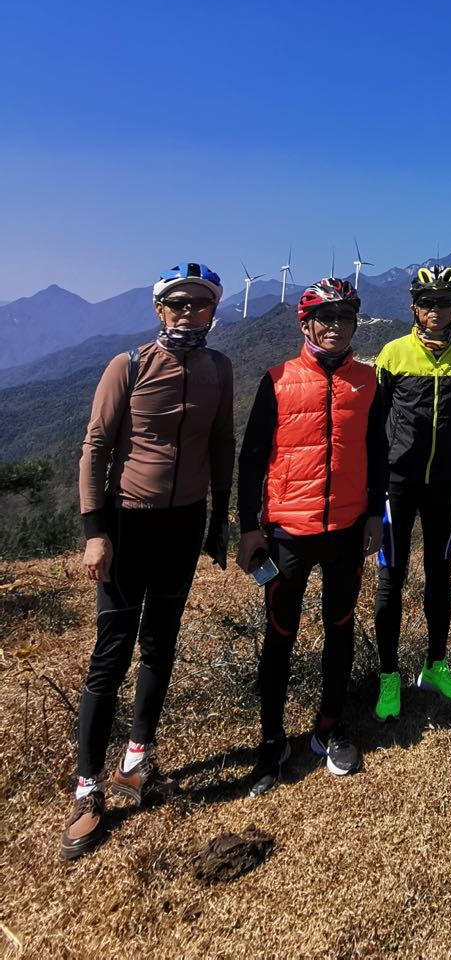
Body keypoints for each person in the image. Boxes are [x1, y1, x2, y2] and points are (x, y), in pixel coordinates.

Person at [62, 263, 234, 862]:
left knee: (161, 642)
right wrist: (95, 532)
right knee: (110, 654)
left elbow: (220, 445)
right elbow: (95, 446)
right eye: (178, 304)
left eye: (200, 304)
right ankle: (87, 790)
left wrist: (220, 520)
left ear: (213, 310)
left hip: (184, 523)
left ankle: (136, 760)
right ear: (160, 311)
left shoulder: (218, 368)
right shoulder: (127, 365)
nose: (189, 313)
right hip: (128, 521)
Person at [237, 278, 387, 795]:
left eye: (344, 318)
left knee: (340, 627)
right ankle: (272, 740)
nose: (335, 327)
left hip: (347, 528)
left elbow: (378, 451)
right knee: (280, 635)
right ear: (306, 324)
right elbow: (252, 457)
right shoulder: (276, 380)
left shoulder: (368, 381)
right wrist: (248, 527)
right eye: (325, 318)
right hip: (288, 532)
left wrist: (374, 515)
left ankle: (329, 727)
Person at [371, 264, 451, 718]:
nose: (437, 310)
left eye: (445, 301)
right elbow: (377, 422)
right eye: (428, 302)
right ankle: (388, 676)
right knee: (391, 578)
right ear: (415, 307)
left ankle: (435, 665)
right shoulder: (393, 354)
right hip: (397, 482)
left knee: (440, 573)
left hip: (444, 483)